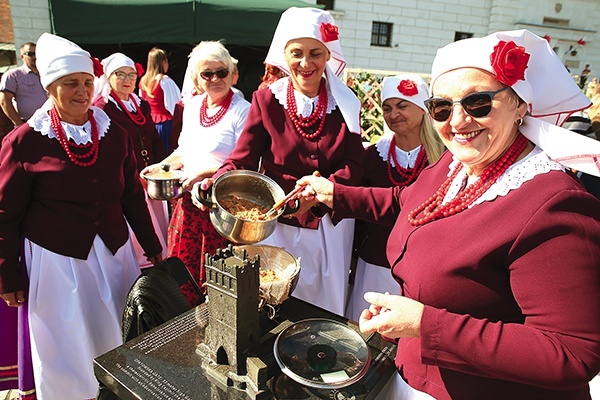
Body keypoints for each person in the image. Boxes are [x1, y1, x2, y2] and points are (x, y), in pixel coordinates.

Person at [296, 29, 600, 399]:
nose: (457, 122)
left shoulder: (554, 204)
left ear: (520, 105)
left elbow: (570, 352)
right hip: (414, 377)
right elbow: (409, 202)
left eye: (478, 103)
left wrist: (427, 324)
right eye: (442, 107)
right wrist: (335, 194)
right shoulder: (456, 166)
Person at [0, 32, 163, 399]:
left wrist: (153, 247)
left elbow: (132, 197)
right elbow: (5, 214)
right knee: (68, 340)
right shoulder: (24, 141)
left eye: (87, 82)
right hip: (58, 262)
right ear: (50, 87)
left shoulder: (114, 134)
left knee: (117, 332)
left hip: (113, 254)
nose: (82, 90)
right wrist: (6, 274)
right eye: (71, 83)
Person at [195, 7, 365, 317]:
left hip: (329, 226)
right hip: (278, 227)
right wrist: (216, 181)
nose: (305, 62)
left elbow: (355, 164)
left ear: (328, 56)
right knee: (274, 306)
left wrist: (321, 193)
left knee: (321, 311)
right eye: (296, 53)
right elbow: (242, 159)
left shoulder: (347, 103)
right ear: (283, 56)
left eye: (315, 53)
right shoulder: (266, 99)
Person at [141, 41, 250, 306]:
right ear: (197, 78)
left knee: (218, 279)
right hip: (188, 205)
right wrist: (163, 166)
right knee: (183, 273)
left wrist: (206, 171)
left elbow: (244, 162)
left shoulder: (242, 110)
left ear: (232, 73)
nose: (215, 79)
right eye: (207, 74)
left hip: (222, 208)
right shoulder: (193, 106)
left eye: (221, 72)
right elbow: (183, 150)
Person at [345, 74, 444, 321]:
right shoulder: (372, 157)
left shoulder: (444, 158)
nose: (393, 114)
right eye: (387, 108)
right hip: (374, 262)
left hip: (423, 268)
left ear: (423, 109)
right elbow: (360, 214)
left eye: (402, 106)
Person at [94, 52, 169, 268]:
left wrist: (159, 166)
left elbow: (153, 137)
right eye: (120, 75)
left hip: (149, 173)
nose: (127, 80)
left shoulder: (141, 105)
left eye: (131, 75)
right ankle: (141, 260)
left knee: (156, 217)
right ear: (108, 77)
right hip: (128, 176)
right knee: (137, 214)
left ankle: (157, 252)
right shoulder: (103, 107)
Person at [139, 47, 181, 154]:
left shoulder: (143, 82)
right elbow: (175, 106)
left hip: (150, 125)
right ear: (163, 62)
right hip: (166, 126)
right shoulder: (165, 81)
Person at [0, 42, 47, 129]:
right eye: (30, 54)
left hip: (50, 124)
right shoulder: (13, 75)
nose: (35, 57)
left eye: (37, 54)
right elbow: (4, 101)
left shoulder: (46, 74)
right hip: (28, 124)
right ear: (22, 56)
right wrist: (19, 125)